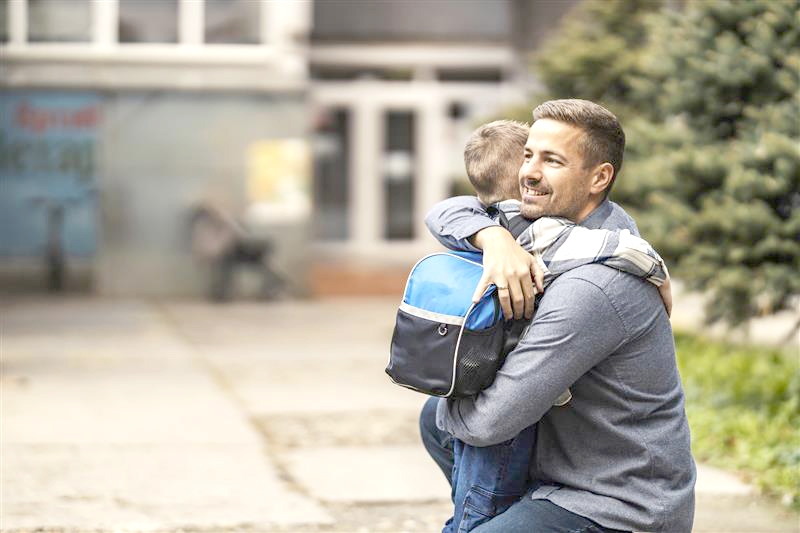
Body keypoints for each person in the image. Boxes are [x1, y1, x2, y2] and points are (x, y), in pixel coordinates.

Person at [420, 100, 696, 533]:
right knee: (436, 419)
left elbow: (492, 421)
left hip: (615, 505)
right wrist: (492, 237)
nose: (529, 172)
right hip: (554, 475)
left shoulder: (591, 287)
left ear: (598, 177)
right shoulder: (562, 235)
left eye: (552, 161)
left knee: (453, 417)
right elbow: (447, 211)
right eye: (529, 154)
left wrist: (449, 411)